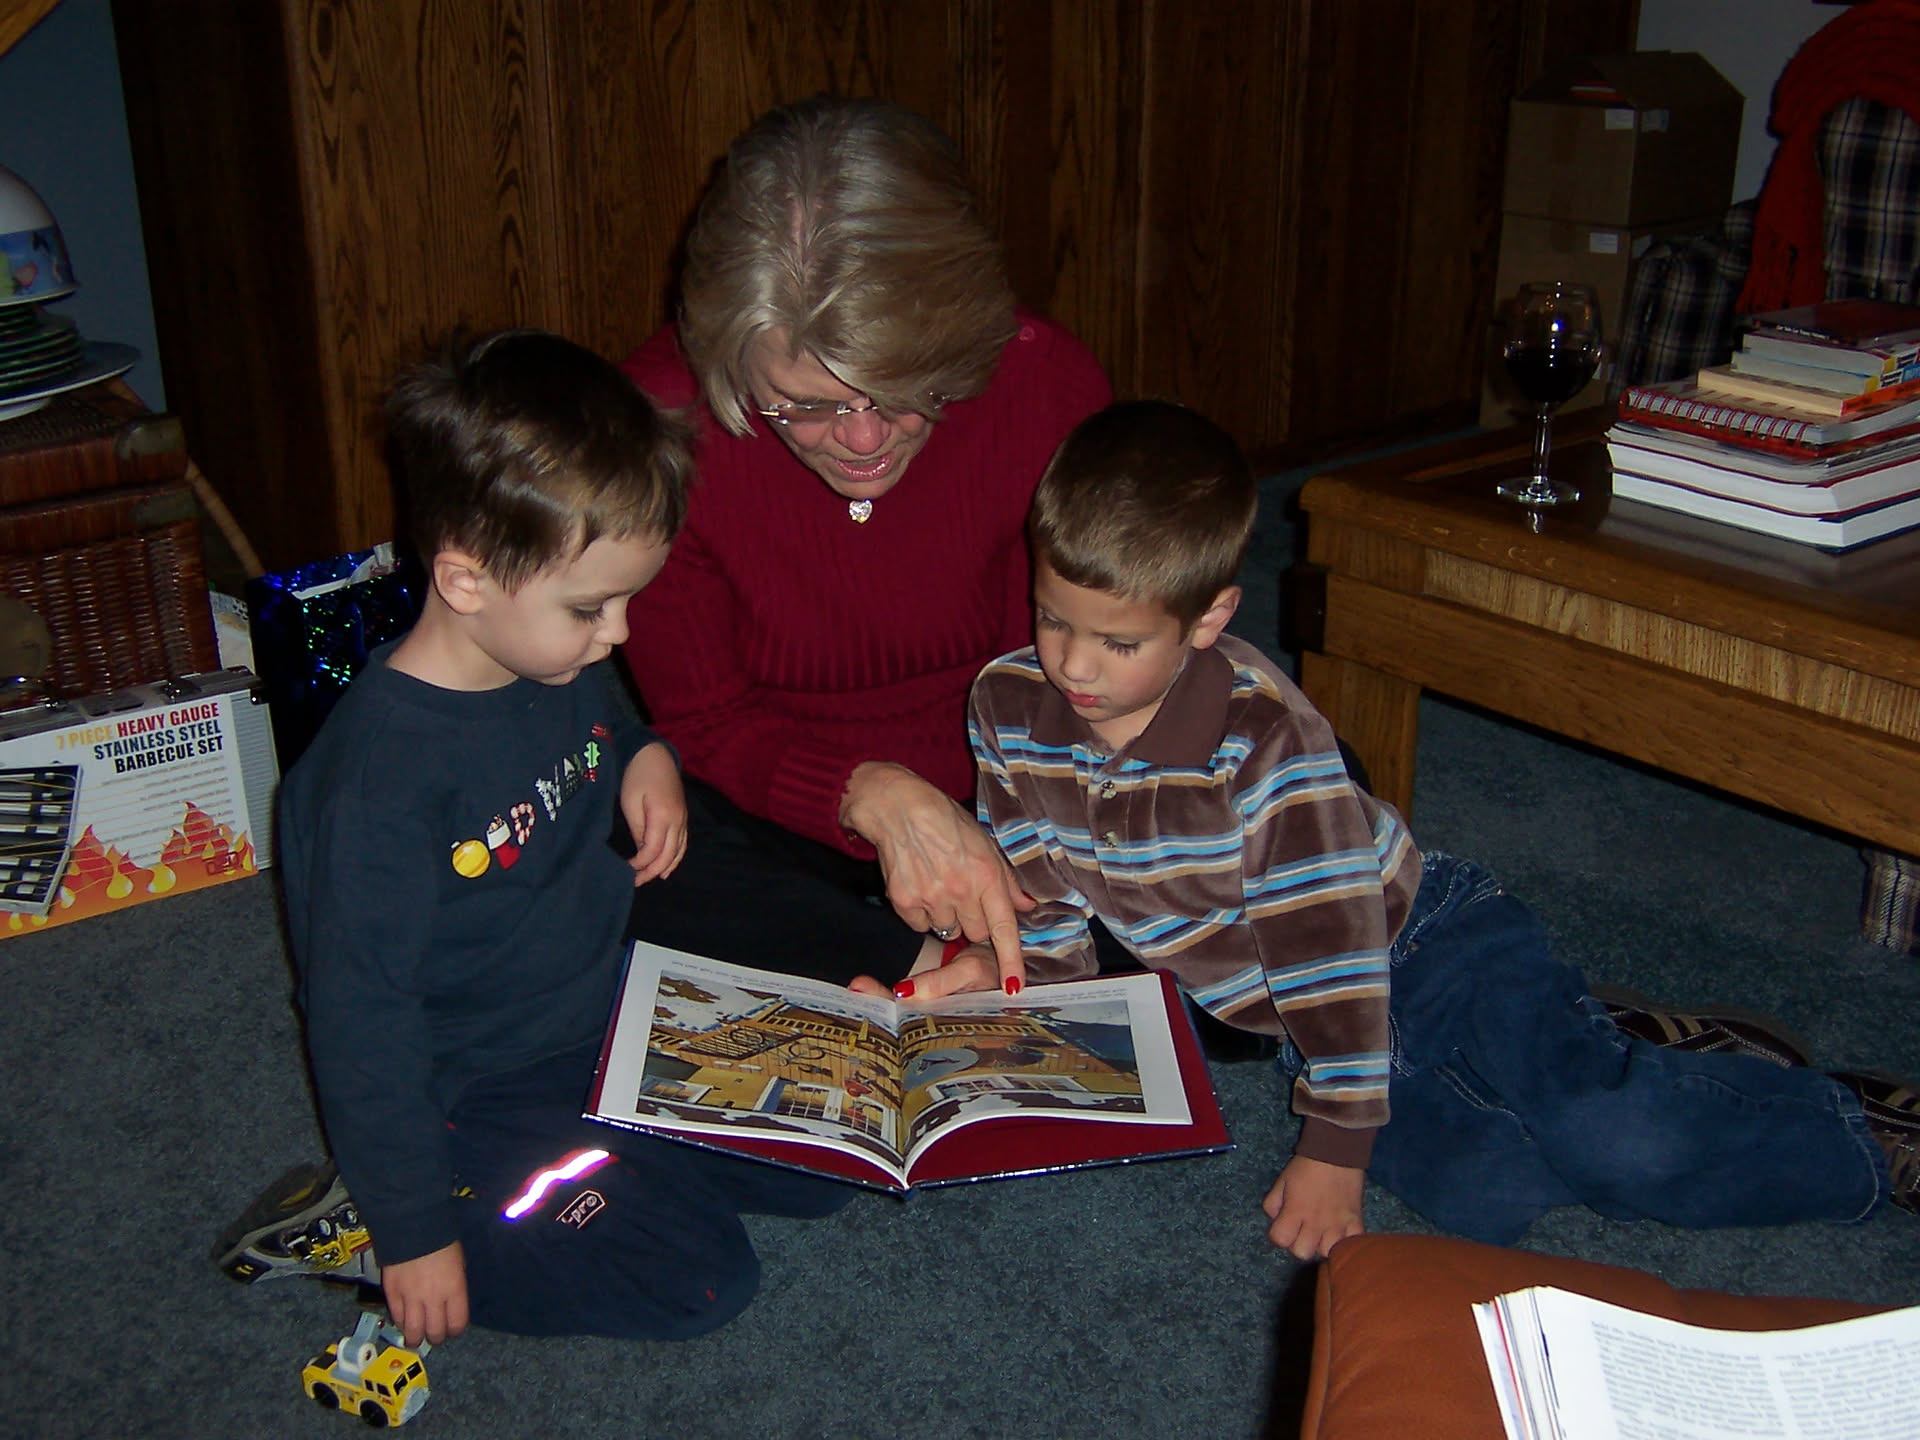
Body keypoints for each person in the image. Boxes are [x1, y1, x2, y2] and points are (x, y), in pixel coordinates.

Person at [929, 398, 1919, 1259]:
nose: (1074, 666)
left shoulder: (1261, 738)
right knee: (1482, 1195)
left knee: (1616, 1139)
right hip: (1303, 1021)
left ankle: (1860, 1135)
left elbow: (1325, 939)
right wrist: (1020, 990)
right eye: (1052, 619)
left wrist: (1334, 1141)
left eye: (1117, 641)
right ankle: (1615, 1039)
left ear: (1208, 618)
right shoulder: (1008, 706)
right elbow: (1040, 886)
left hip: (1424, 940)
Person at [215, 329, 850, 1345]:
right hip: (484, 1084)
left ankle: (619, 1159)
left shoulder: (542, 655)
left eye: (628, 599)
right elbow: (359, 1021)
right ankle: (376, 1226)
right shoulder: (372, 790)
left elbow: (601, 719)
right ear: (465, 580)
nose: (621, 634)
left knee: (830, 1161)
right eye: (593, 607)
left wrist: (643, 754)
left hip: (613, 1012)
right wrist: (416, 1232)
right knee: (698, 1279)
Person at [620, 96, 1111, 992]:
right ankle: (961, 965)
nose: (862, 440)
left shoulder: (1046, 388)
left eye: (904, 389)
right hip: (782, 806)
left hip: (1014, 790)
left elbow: (1077, 688)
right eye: (804, 405)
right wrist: (868, 793)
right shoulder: (658, 430)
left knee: (1263, 784)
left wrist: (1007, 856)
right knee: (616, 839)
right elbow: (703, 721)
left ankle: (956, 960)